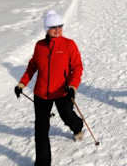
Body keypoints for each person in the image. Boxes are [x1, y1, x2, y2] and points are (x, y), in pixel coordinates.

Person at [14, 10, 84, 166]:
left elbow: (77, 67)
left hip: (62, 91)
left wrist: (73, 86)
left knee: (67, 116)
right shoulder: (39, 46)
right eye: (53, 27)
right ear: (46, 29)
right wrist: (21, 84)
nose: (57, 30)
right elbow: (32, 66)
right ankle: (43, 163)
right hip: (41, 93)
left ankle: (77, 126)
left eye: (60, 26)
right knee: (41, 129)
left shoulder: (69, 44)